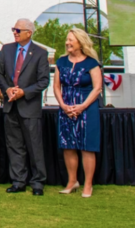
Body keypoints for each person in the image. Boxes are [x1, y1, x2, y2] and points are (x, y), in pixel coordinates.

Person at [0, 19, 50, 196]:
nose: (15, 32)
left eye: (18, 30)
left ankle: (37, 182)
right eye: (13, 29)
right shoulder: (7, 49)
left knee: (34, 146)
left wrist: (24, 92)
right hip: (10, 105)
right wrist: (8, 89)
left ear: (29, 32)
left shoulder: (40, 53)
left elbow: (44, 81)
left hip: (29, 106)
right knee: (14, 145)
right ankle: (18, 181)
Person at [54, 28, 102, 198]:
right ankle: (72, 181)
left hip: (87, 109)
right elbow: (56, 87)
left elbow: (97, 88)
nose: (67, 43)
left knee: (87, 147)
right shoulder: (61, 62)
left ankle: (88, 185)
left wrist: (82, 106)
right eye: (67, 40)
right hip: (65, 109)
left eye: (71, 40)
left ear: (80, 43)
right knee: (68, 146)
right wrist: (63, 105)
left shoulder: (91, 63)